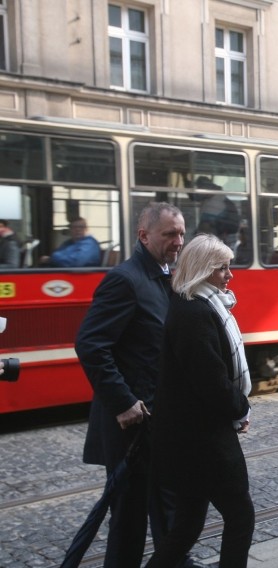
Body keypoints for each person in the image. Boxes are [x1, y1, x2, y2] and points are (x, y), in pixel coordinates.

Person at [74, 203, 191, 567]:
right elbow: (91, 344)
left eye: (181, 233)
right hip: (132, 425)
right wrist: (123, 402)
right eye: (170, 234)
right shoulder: (125, 279)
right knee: (129, 518)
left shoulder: (166, 275)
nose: (178, 241)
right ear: (144, 235)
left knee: (168, 508)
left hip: (161, 421)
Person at [146, 234, 254, 568]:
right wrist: (240, 407)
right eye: (222, 268)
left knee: (187, 525)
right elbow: (211, 381)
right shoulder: (195, 313)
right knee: (240, 515)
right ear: (202, 270)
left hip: (189, 440)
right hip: (203, 441)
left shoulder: (196, 306)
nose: (229, 275)